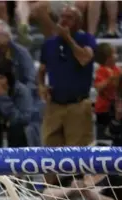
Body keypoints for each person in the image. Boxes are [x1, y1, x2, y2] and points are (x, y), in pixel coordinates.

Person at [38, 5, 96, 182]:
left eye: (69, 17)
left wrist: (68, 39)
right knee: (49, 155)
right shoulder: (49, 44)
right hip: (54, 105)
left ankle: (78, 195)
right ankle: (51, 199)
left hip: (77, 105)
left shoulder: (86, 39)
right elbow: (41, 70)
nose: (63, 20)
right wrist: (41, 86)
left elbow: (84, 58)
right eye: (62, 17)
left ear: (78, 22)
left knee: (77, 157)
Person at [94, 42, 121, 139]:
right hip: (103, 109)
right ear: (107, 57)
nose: (116, 56)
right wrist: (109, 80)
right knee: (103, 135)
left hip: (115, 108)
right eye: (114, 54)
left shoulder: (116, 69)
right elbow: (98, 86)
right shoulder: (101, 70)